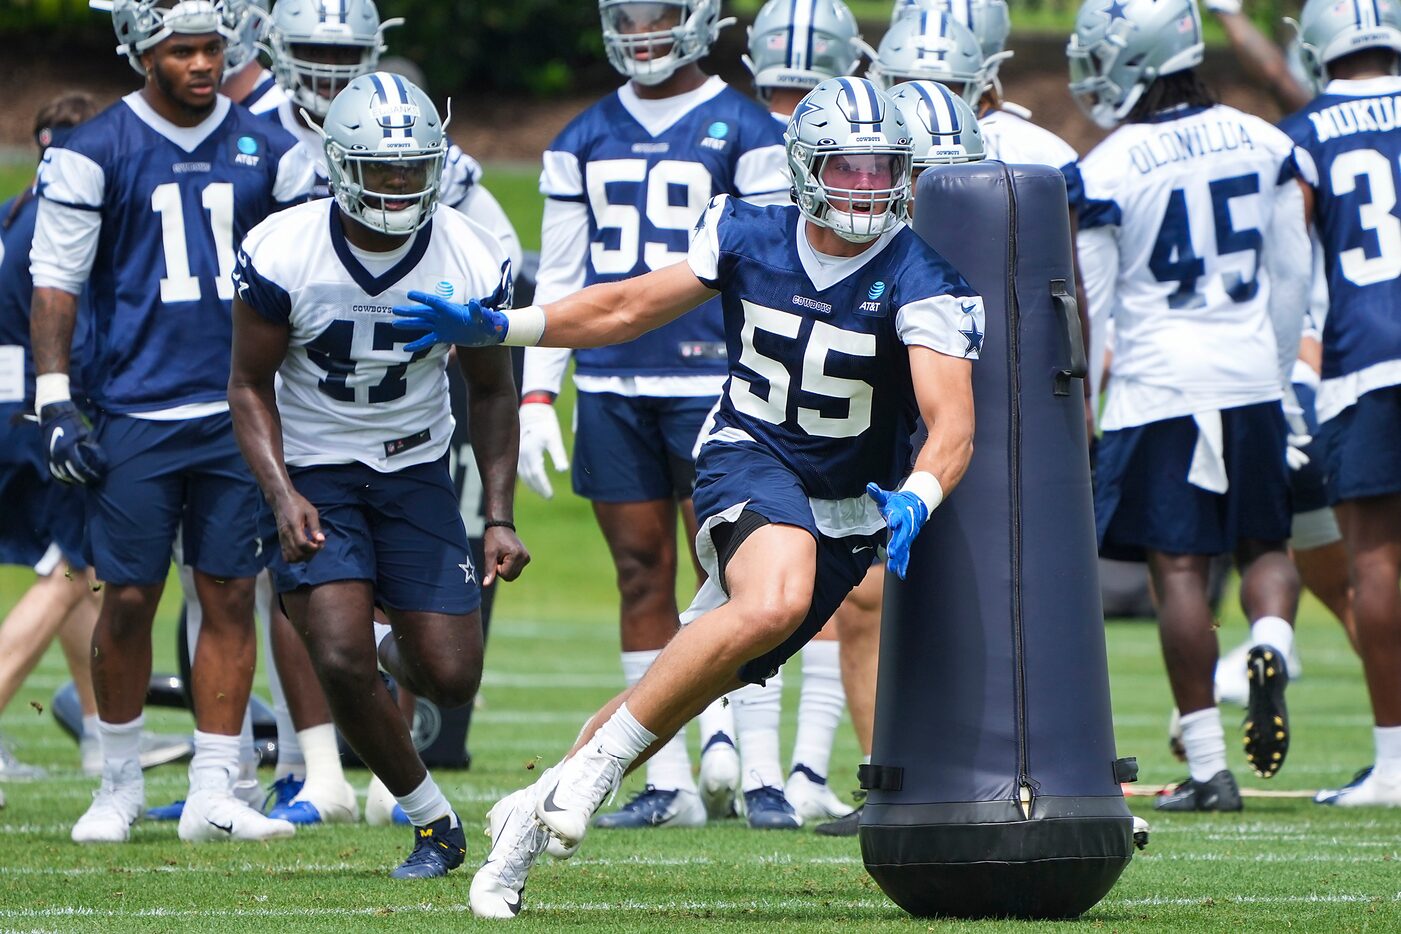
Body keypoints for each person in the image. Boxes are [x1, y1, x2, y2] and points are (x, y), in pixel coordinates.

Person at [390, 74, 982, 918]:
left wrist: (920, 492)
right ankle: (593, 778)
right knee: (773, 595)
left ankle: (522, 826)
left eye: (880, 167)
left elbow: (949, 422)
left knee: (686, 678)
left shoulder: (924, 278)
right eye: (845, 168)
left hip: (847, 507)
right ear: (805, 167)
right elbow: (626, 306)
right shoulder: (745, 231)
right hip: (749, 453)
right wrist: (504, 328)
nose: (866, 187)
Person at [29, 0, 316, 843]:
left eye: (211, 49)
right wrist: (53, 401)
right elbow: (56, 284)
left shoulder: (275, 150)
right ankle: (116, 784)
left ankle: (215, 788)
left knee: (229, 594)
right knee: (127, 599)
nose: (201, 65)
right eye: (182, 50)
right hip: (135, 408)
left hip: (241, 408)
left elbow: (309, 273)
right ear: (140, 53)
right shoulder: (94, 150)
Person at [228, 71, 527, 876]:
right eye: (381, 170)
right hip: (314, 468)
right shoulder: (284, 248)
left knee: (451, 676)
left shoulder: (468, 251)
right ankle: (433, 822)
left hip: (414, 466)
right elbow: (248, 384)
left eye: (412, 170)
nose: (398, 187)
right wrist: (281, 491)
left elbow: (493, 392)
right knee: (338, 654)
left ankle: (376, 626)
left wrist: (498, 513)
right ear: (337, 164)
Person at [518, 0, 791, 832]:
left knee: (741, 583)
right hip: (613, 384)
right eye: (626, 17)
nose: (641, 32)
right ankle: (666, 779)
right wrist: (538, 392)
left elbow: (776, 267)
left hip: (720, 382)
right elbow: (560, 275)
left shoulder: (746, 129)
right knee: (640, 576)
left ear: (700, 18)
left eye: (658, 14)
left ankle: (762, 771)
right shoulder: (580, 137)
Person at [1068, 0, 1311, 810]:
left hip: (1159, 382)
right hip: (1249, 374)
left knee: (1179, 568)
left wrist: (1090, 402)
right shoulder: (1267, 140)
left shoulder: (1108, 165)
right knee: (1264, 543)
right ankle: (1268, 643)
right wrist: (1274, 374)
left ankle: (1207, 767)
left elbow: (1092, 306)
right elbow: (1290, 276)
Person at [738, 0, 872, 828]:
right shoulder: (766, 164)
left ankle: (768, 767)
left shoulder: (737, 137)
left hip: (755, 385)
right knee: (801, 588)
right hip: (803, 398)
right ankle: (783, 767)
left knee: (783, 591)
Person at [1279, 0, 1401, 807]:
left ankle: (1395, 761)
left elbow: (1291, 271)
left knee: (1378, 562)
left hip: (1364, 354)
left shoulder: (1303, 134)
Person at [0, 93, 104, 784]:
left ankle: (103, 734)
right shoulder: (59, 220)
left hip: (9, 406)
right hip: (40, 412)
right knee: (74, 563)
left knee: (75, 568)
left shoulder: (13, 208)